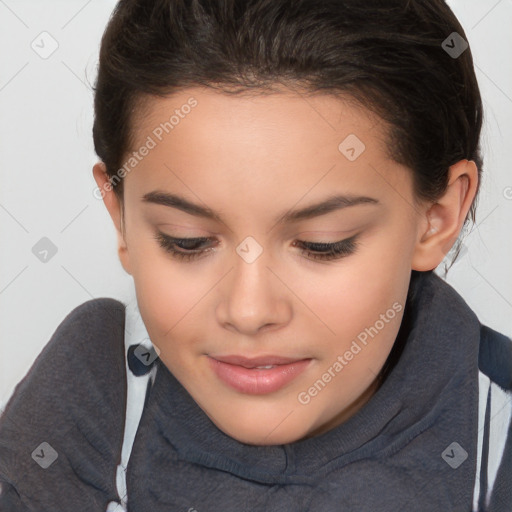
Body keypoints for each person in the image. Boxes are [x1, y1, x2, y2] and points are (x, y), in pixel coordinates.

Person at [1, 0, 511, 510]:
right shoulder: (98, 393)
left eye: (322, 244)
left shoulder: (497, 437)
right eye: (186, 241)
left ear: (437, 217)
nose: (248, 311)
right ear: (122, 218)